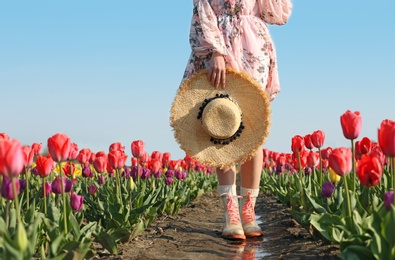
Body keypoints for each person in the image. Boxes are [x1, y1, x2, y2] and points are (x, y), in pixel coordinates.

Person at [181, 0, 293, 240]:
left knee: (253, 130)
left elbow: (277, 15)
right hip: (217, 50)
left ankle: (248, 212)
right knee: (222, 127)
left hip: (253, 47)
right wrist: (216, 52)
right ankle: (230, 214)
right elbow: (203, 10)